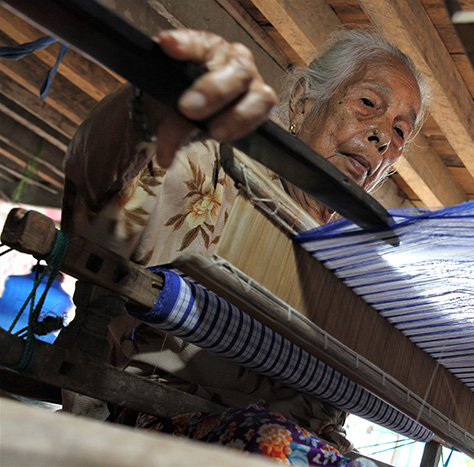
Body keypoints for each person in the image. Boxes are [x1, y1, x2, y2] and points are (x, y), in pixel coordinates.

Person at [61, 27, 428, 463]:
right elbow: (100, 182)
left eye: (400, 131)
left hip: (307, 449)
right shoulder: (211, 169)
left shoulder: (354, 268)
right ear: (305, 100)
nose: (383, 136)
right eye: (368, 104)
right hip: (168, 421)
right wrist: (158, 99)